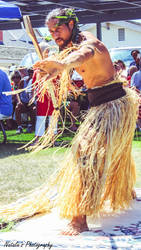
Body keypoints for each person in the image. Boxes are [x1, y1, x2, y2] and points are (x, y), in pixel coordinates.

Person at [0, 8, 138, 236]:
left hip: (113, 104)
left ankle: (79, 220)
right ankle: (126, 191)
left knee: (85, 154)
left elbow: (82, 55)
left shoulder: (90, 44)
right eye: (52, 31)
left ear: (72, 24)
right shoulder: (68, 47)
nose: (55, 35)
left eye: (59, 29)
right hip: (103, 104)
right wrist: (53, 68)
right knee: (117, 152)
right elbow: (67, 60)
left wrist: (63, 65)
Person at [15, 68, 36, 134]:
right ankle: (19, 127)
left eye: (32, 73)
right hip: (24, 102)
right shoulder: (23, 81)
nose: (31, 75)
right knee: (17, 108)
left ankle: (30, 125)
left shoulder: (36, 81)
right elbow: (17, 92)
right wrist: (19, 101)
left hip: (32, 102)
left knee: (33, 108)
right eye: (29, 73)